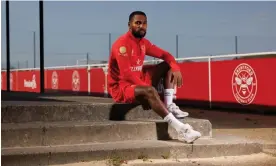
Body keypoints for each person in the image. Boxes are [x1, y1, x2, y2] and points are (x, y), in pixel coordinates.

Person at [107, 11, 201, 143]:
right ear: (129, 25)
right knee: (150, 91)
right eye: (137, 23)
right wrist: (146, 90)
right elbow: (127, 75)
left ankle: (168, 104)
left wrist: (176, 67)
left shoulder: (144, 43)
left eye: (144, 23)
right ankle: (182, 130)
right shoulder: (121, 44)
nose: (142, 26)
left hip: (138, 80)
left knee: (167, 65)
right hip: (121, 87)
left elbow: (166, 55)